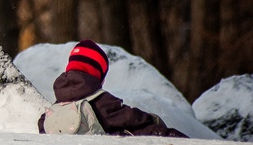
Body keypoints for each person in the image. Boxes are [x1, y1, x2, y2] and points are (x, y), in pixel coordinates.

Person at [38, 39, 187, 138]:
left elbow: (42, 126)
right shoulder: (101, 102)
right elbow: (130, 118)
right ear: (97, 74)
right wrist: (153, 119)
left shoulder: (57, 104)